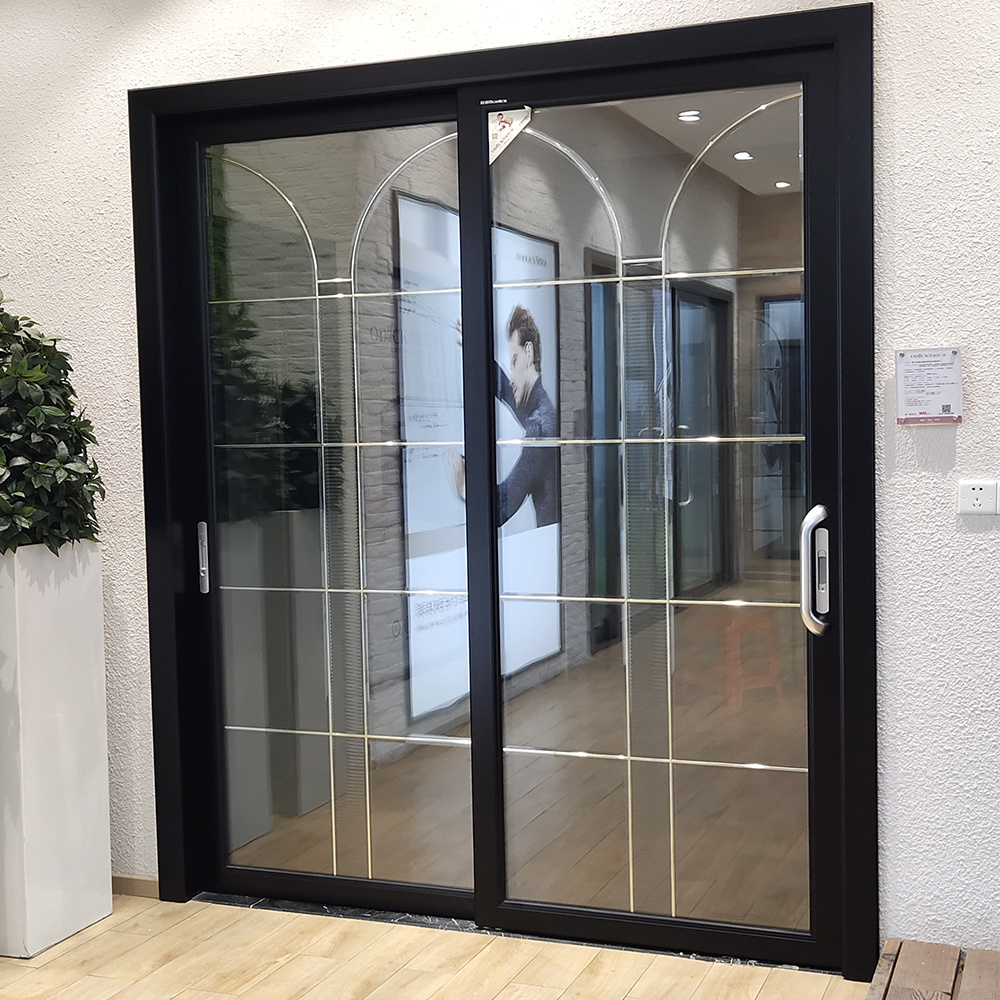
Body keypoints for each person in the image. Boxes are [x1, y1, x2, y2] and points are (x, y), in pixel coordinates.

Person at [452, 305, 559, 526]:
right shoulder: (543, 409)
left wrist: (465, 487)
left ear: (528, 353)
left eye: (514, 361)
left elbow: (500, 508)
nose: (511, 378)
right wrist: (476, 350)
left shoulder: (538, 429)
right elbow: (506, 391)